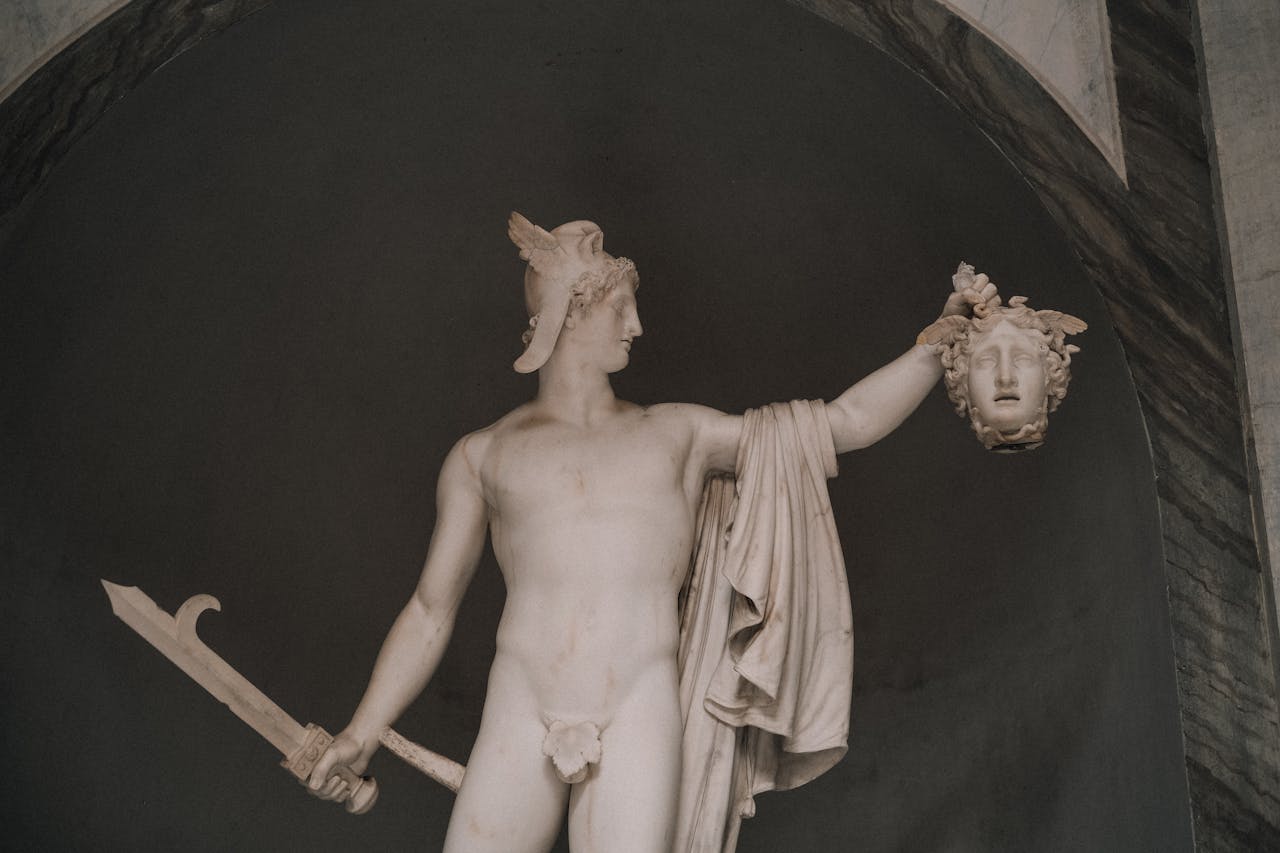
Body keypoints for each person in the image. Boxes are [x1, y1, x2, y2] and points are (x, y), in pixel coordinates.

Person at [307, 214, 995, 853]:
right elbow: (430, 611)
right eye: (620, 308)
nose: (636, 325)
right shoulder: (482, 455)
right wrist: (360, 734)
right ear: (572, 310)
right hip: (522, 700)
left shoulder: (679, 434)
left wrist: (938, 344)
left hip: (638, 703)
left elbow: (842, 423)